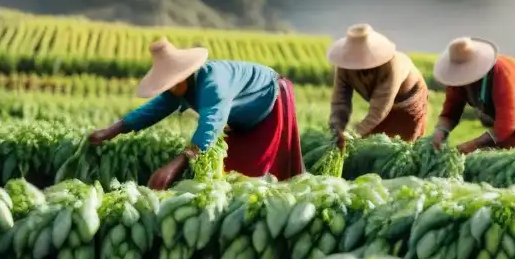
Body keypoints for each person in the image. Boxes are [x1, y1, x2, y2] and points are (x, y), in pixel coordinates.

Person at [88, 38, 305, 189]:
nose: (168, 90)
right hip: (241, 115)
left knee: (259, 172)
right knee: (234, 172)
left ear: (184, 75)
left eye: (170, 84)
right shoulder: (179, 87)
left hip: (269, 98)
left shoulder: (213, 84)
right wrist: (110, 131)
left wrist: (173, 167)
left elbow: (210, 126)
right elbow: (152, 110)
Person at [430, 37, 515, 154]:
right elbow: (451, 111)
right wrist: (440, 131)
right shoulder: (457, 80)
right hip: (506, 118)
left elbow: (507, 122)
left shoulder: (503, 75)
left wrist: (475, 144)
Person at [327, 24, 429, 145]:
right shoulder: (344, 67)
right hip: (381, 104)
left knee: (400, 146)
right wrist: (337, 128)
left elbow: (379, 111)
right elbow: (340, 101)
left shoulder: (391, 66)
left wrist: (352, 134)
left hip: (407, 102)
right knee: (370, 142)